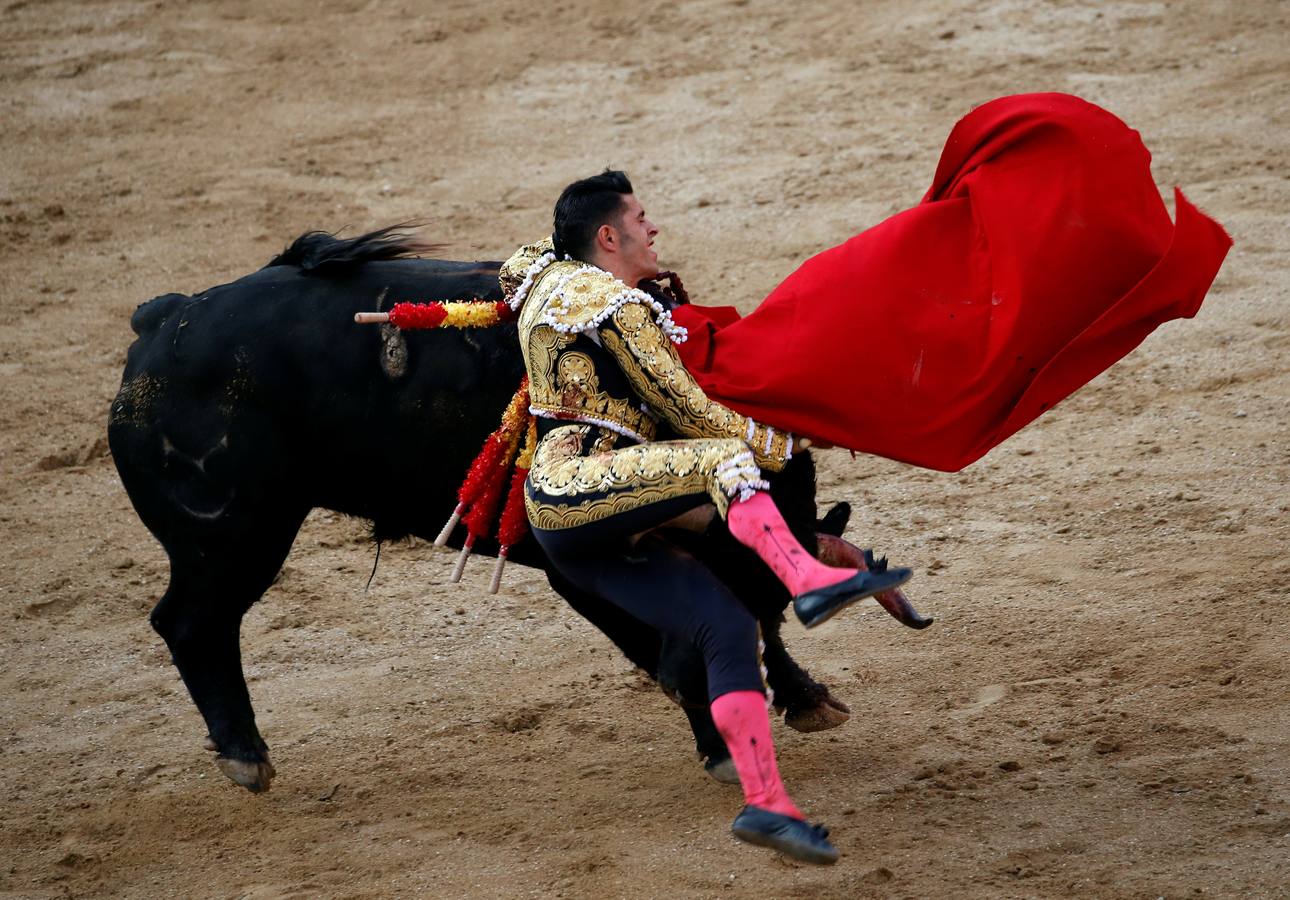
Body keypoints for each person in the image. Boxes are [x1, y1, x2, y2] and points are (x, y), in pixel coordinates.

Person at [503, 171, 913, 864]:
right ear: (609, 237)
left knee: (726, 627)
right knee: (723, 457)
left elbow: (523, 261)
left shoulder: (546, 274)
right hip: (572, 486)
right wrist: (784, 444)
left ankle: (768, 805)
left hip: (587, 524)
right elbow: (690, 412)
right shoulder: (612, 303)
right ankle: (807, 580)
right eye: (640, 217)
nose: (653, 227)